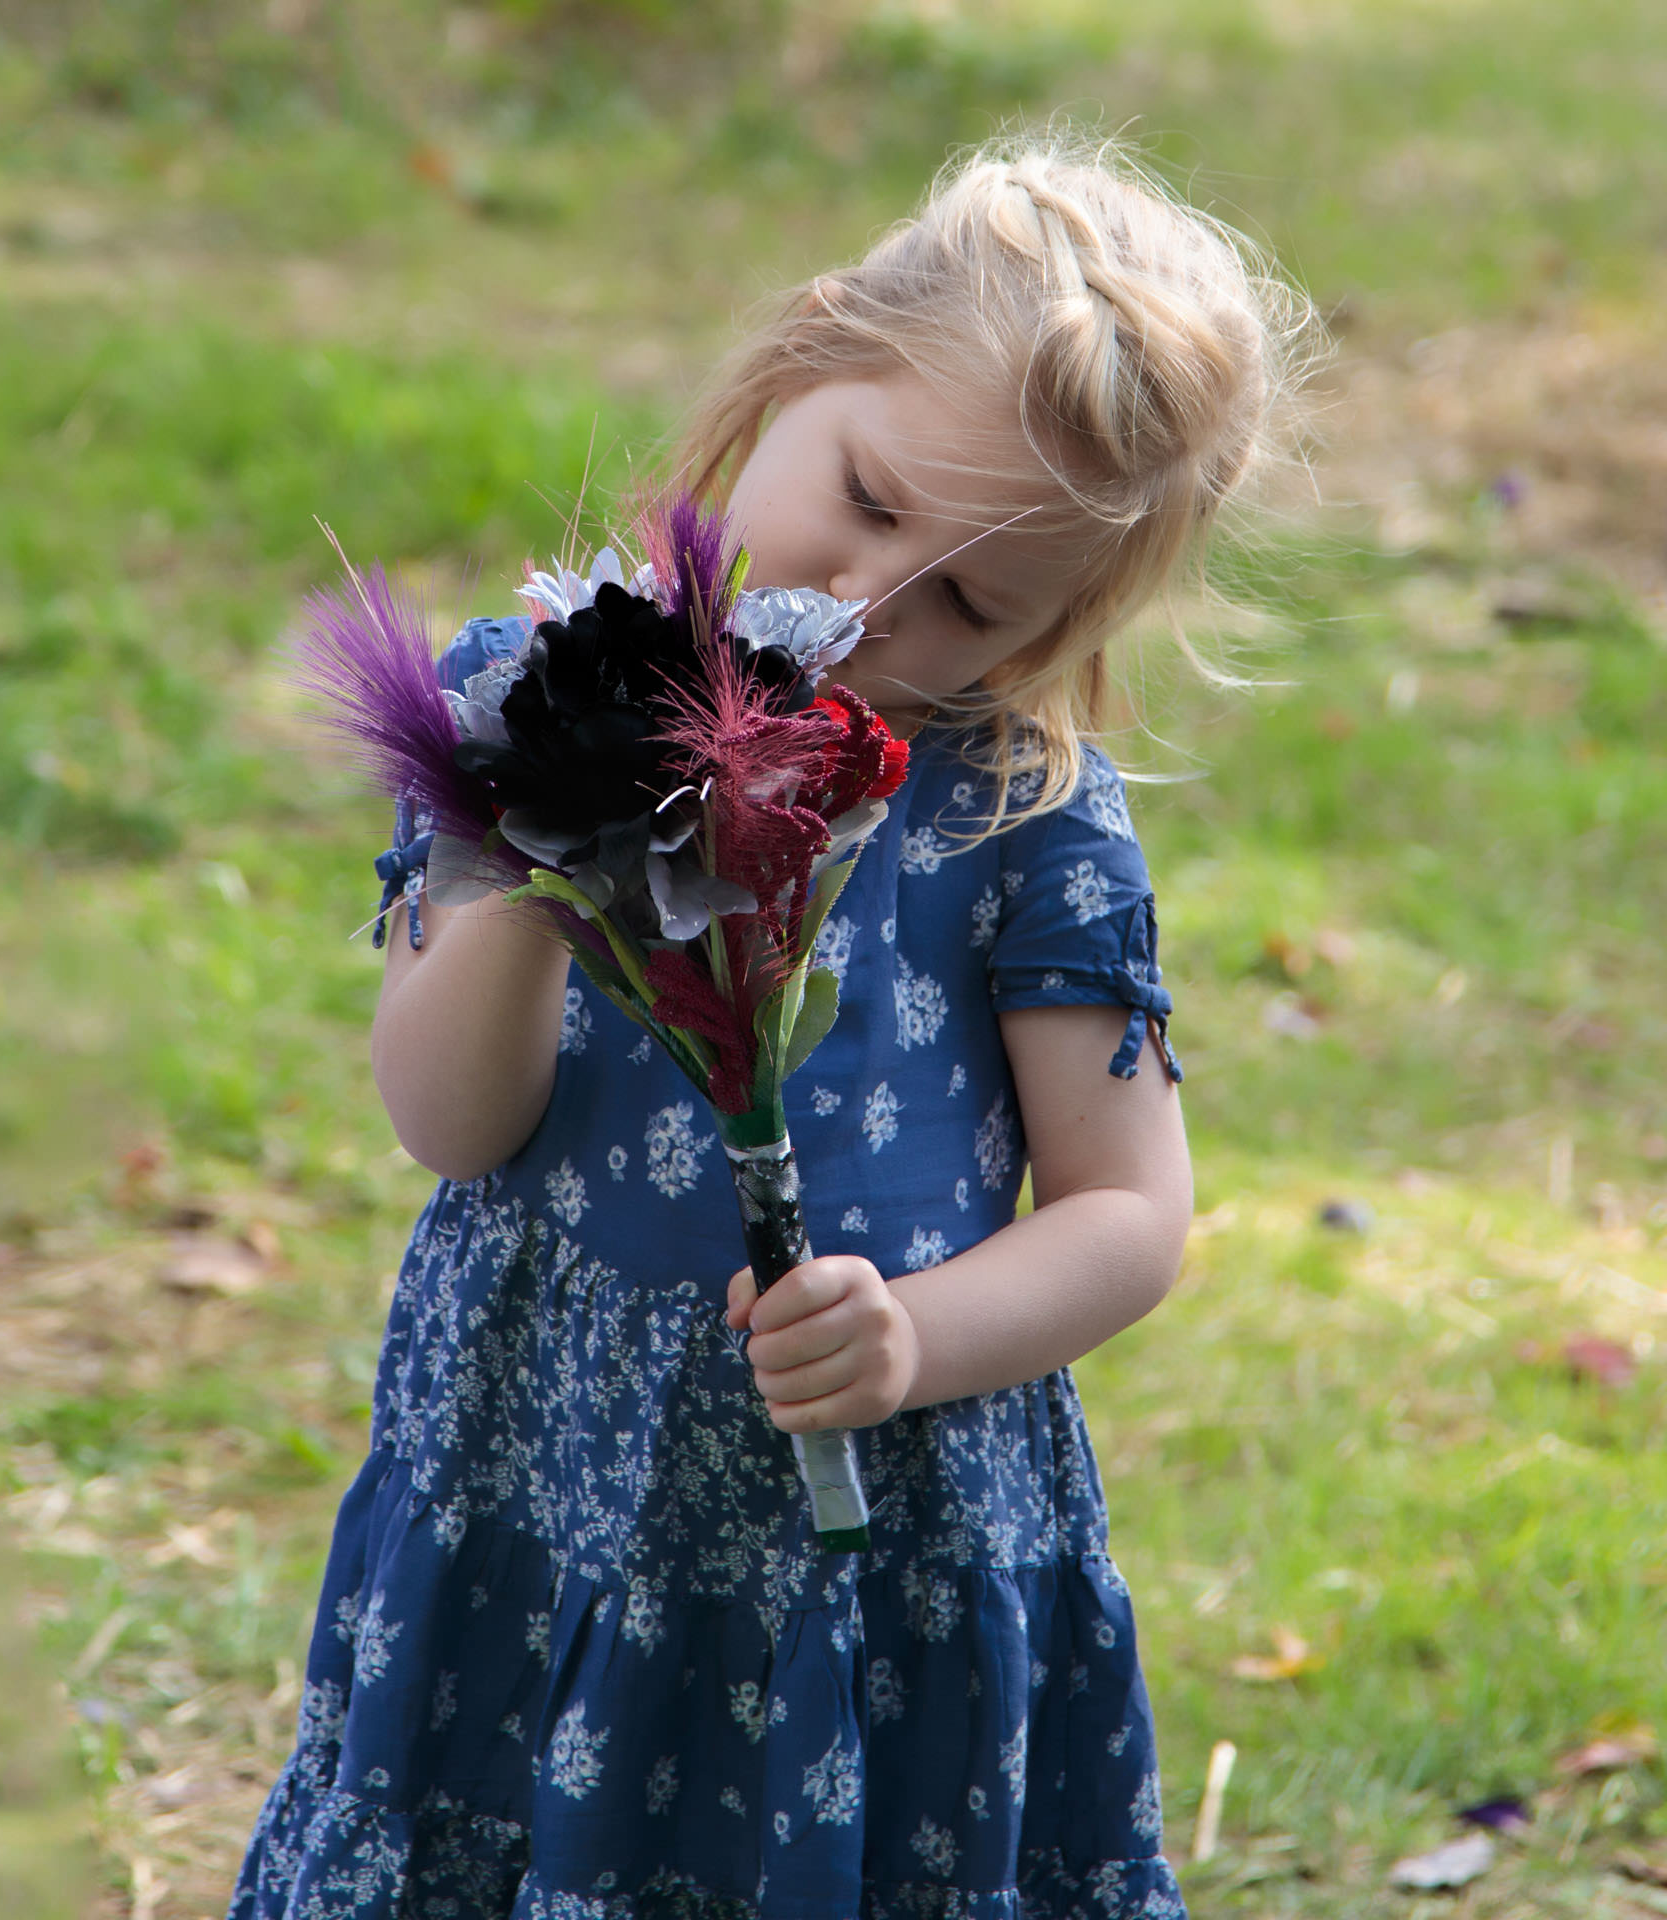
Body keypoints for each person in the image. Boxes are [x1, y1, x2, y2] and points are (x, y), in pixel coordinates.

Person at [233, 130, 1314, 1920]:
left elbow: (1132, 1215)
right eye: (871, 500)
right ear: (797, 368)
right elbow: (449, 1121)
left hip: (877, 1518)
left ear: (1065, 622)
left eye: (972, 600)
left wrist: (915, 1338)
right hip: (548, 1452)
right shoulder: (533, 695)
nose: (878, 603)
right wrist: (529, 856)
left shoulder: (1017, 816)